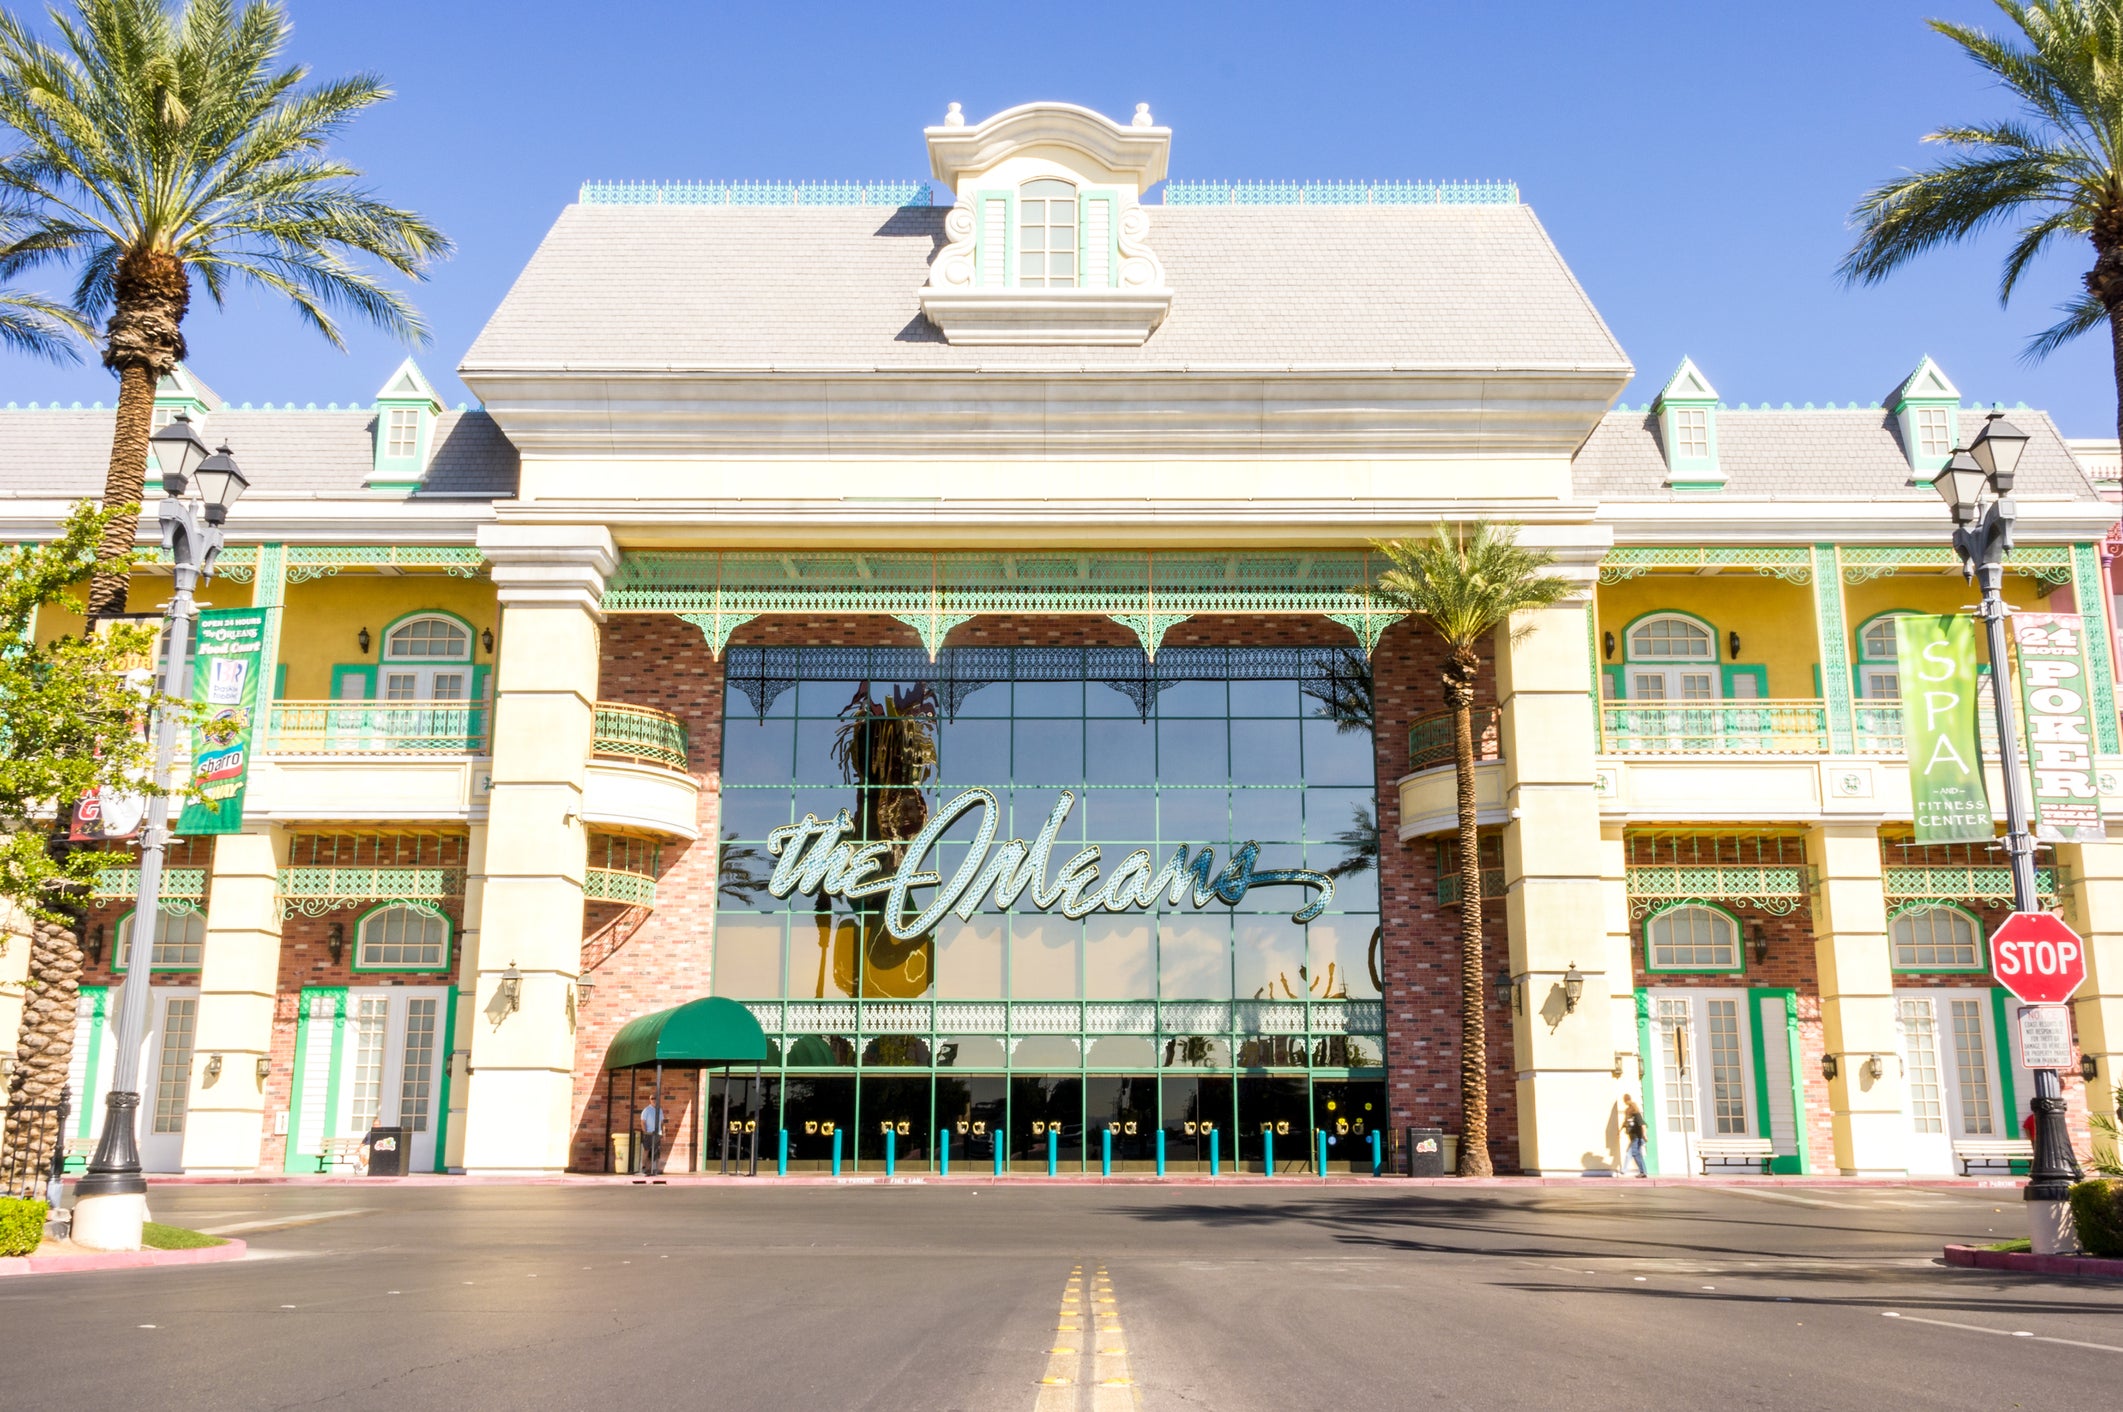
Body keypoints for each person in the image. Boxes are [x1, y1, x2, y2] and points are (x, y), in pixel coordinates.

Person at [1621, 1093, 1649, 1178]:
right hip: (1634, 1138)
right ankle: (1643, 1172)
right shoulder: (1630, 1115)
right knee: (1634, 1153)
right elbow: (1625, 1123)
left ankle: (1642, 1172)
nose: (1627, 1113)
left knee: (1635, 1153)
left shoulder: (1636, 1113)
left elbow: (1643, 1125)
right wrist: (1620, 1130)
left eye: (1628, 1112)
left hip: (1638, 1137)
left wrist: (1644, 1135)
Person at [640, 1093, 665, 1176]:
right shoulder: (646, 1110)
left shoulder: (660, 1110)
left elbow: (662, 1123)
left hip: (657, 1133)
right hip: (649, 1133)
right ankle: (643, 1167)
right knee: (646, 1150)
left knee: (656, 1151)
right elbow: (643, 1122)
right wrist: (645, 1132)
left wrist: (663, 1132)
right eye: (652, 1098)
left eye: (655, 1098)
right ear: (650, 1100)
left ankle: (655, 1168)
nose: (654, 1100)